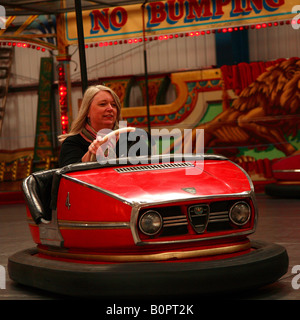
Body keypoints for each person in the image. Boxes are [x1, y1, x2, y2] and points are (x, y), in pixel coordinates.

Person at [58, 85, 150, 167]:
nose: (110, 108)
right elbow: (68, 178)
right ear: (87, 112)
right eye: (103, 104)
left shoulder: (132, 139)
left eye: (113, 105)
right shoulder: (73, 143)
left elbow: (148, 170)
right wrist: (90, 155)